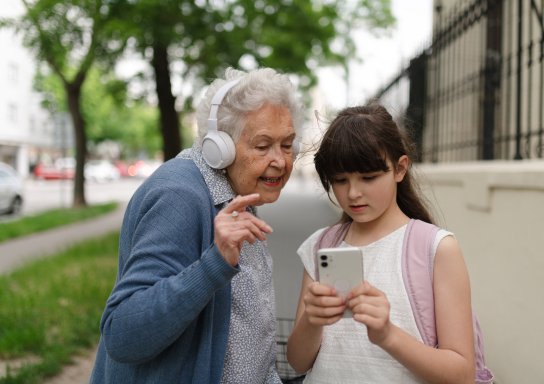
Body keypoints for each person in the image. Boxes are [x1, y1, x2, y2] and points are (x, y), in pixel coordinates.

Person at [90, 67, 304, 384]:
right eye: (262, 146)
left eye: (287, 144)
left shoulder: (238, 190)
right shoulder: (180, 198)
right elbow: (121, 334)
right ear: (221, 147)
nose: (282, 160)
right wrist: (212, 266)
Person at [286, 105, 476, 383]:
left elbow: (462, 375)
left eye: (369, 177)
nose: (353, 193)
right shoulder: (320, 246)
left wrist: (388, 335)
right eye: (340, 180)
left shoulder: (436, 248)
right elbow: (298, 361)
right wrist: (312, 321)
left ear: (400, 169)